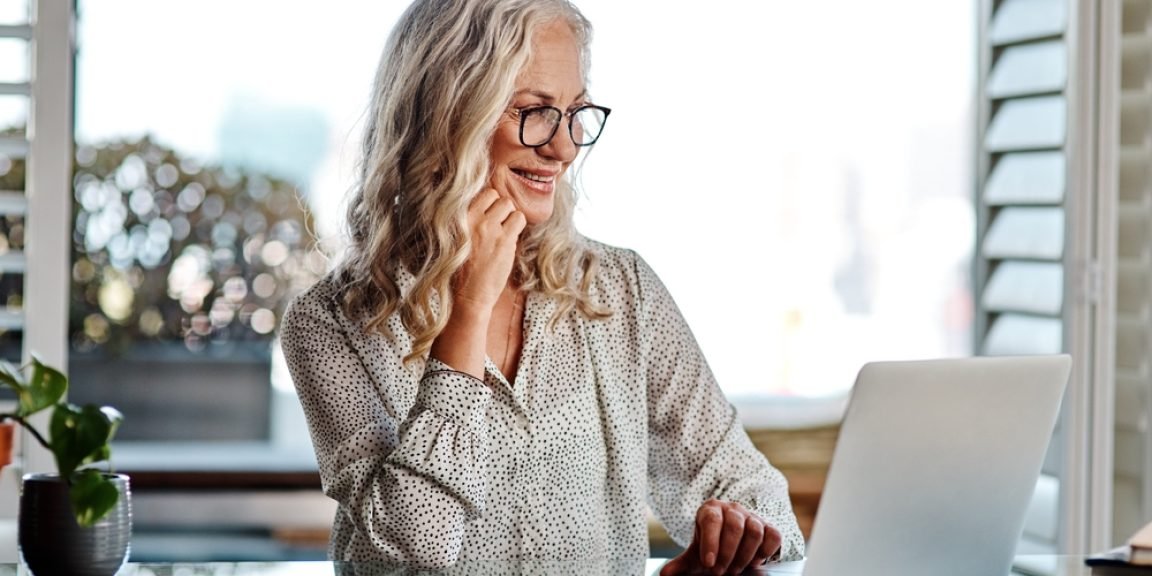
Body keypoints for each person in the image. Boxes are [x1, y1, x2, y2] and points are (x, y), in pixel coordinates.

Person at [280, 0, 805, 573]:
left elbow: (756, 493)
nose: (564, 147)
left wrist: (733, 547)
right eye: (534, 111)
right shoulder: (331, 322)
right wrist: (471, 306)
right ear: (449, 113)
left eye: (575, 112)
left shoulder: (620, 291)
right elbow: (417, 543)